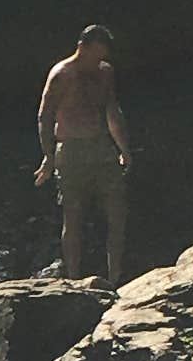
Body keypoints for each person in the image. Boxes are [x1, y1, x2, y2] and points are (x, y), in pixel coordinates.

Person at [36, 22, 131, 282]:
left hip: (101, 148)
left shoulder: (104, 72)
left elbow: (112, 110)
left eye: (102, 56)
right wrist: (49, 157)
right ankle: (73, 278)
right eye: (95, 54)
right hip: (71, 151)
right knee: (73, 216)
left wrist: (124, 149)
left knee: (117, 213)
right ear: (82, 47)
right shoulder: (62, 74)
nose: (98, 60)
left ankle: (115, 277)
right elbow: (45, 117)